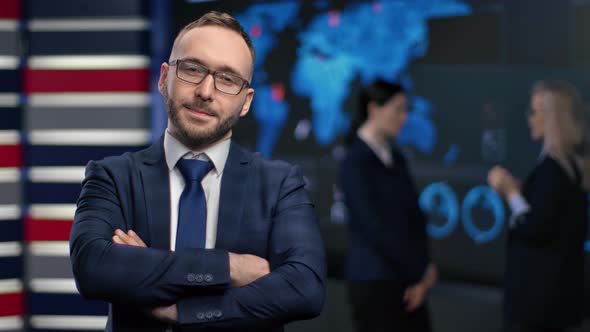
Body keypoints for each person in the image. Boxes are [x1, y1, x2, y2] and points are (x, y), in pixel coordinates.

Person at [69, 11, 326, 332]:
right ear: (164, 78)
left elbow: (305, 289)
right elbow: (93, 269)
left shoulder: (280, 183)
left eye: (227, 79)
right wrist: (231, 267)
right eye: (192, 69)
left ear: (246, 102)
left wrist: (180, 310)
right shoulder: (113, 176)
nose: (206, 91)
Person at [488, 80, 589, 332]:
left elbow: (536, 228)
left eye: (534, 112)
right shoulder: (571, 168)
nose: (529, 119)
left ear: (551, 118)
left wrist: (510, 193)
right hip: (557, 302)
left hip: (538, 307)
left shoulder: (553, 170)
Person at [339, 79, 437, 332]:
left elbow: (414, 217)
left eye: (406, 110)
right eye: (398, 109)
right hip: (376, 283)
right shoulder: (355, 161)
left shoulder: (397, 158)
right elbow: (373, 226)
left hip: (409, 281)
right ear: (374, 109)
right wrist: (418, 269)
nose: (404, 117)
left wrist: (423, 272)